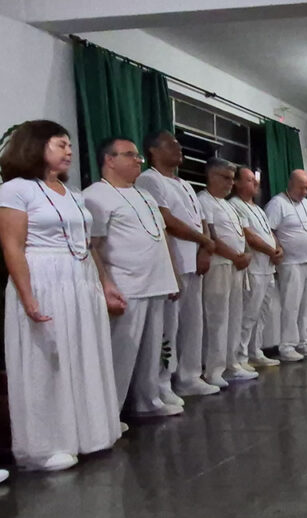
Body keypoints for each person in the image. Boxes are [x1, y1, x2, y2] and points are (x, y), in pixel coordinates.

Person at [0, 120, 121, 471]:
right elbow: (12, 245)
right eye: (60, 144)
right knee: (47, 361)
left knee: (82, 353)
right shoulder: (16, 190)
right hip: (43, 276)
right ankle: (46, 445)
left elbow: (87, 244)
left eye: (69, 145)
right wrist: (28, 296)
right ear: (36, 147)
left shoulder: (74, 194)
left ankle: (89, 433)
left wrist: (104, 283)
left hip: (79, 277)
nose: (69, 151)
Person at [84, 137, 183, 418]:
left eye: (138, 155)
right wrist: (105, 283)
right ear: (109, 160)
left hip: (156, 282)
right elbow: (93, 246)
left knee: (152, 351)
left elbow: (161, 236)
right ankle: (109, 414)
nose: (138, 160)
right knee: (122, 352)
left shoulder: (145, 195)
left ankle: (147, 401)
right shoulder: (95, 196)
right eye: (129, 155)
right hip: (127, 284)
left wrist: (172, 274)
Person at [136, 131, 219, 397]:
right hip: (172, 262)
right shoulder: (150, 179)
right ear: (153, 151)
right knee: (168, 326)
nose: (178, 148)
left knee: (194, 323)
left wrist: (205, 248)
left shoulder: (184, 184)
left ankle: (189, 376)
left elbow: (201, 219)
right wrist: (204, 241)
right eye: (171, 145)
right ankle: (162, 381)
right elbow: (166, 220)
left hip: (194, 261)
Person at [197, 158, 257, 386]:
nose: (230, 183)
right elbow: (211, 236)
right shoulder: (204, 200)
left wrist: (246, 254)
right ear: (211, 176)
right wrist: (235, 256)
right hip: (220, 264)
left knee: (235, 316)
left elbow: (241, 234)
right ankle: (213, 370)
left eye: (232, 179)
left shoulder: (229, 204)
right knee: (218, 317)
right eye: (226, 178)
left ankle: (232, 364)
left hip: (236, 265)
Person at [266, 170, 307, 362]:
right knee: (292, 305)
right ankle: (287, 345)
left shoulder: (306, 203)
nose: (305, 192)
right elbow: (269, 230)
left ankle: (304, 342)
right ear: (291, 184)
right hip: (291, 262)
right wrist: (278, 247)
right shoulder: (277, 203)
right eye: (302, 188)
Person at [229, 167, 283, 369]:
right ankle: (240, 356)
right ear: (237, 183)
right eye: (250, 179)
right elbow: (248, 236)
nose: (256, 183)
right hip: (254, 269)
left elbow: (269, 232)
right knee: (248, 314)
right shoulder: (235, 205)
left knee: (262, 314)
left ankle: (255, 351)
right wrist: (271, 251)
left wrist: (279, 248)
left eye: (255, 179)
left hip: (268, 268)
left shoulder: (258, 208)